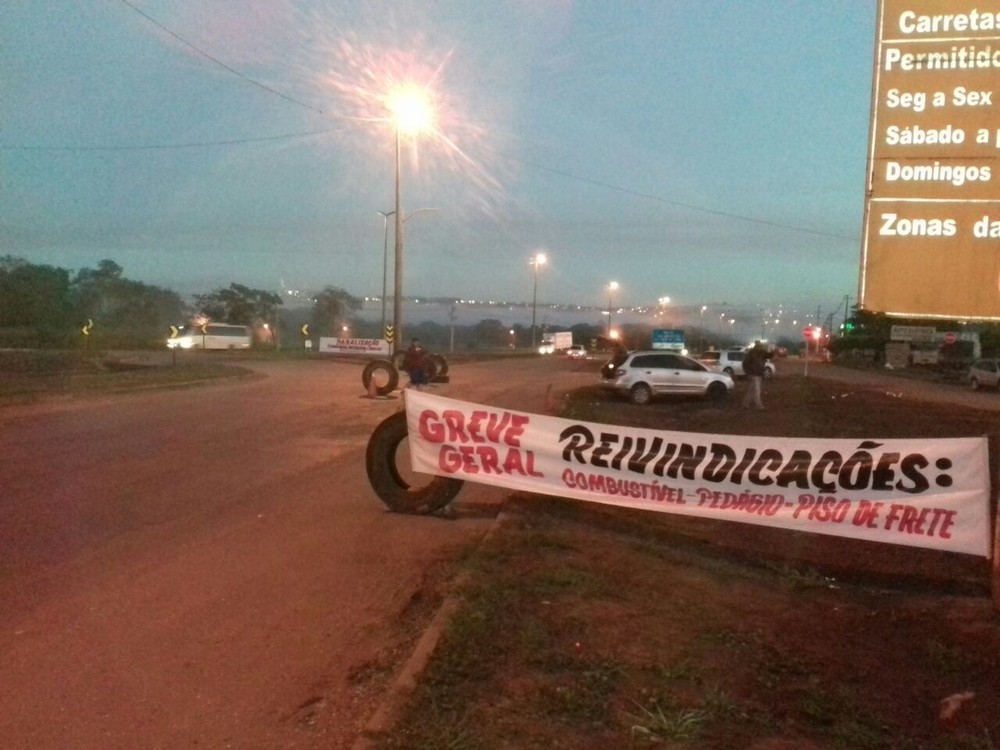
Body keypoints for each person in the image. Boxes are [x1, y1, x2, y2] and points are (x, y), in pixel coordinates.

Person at [741, 341, 770, 410]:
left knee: (751, 390)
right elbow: (745, 363)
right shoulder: (751, 353)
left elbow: (769, 355)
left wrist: (773, 351)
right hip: (754, 374)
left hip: (759, 374)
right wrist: (748, 372)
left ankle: (745, 404)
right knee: (757, 390)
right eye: (759, 345)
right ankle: (759, 405)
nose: (760, 347)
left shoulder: (761, 353)